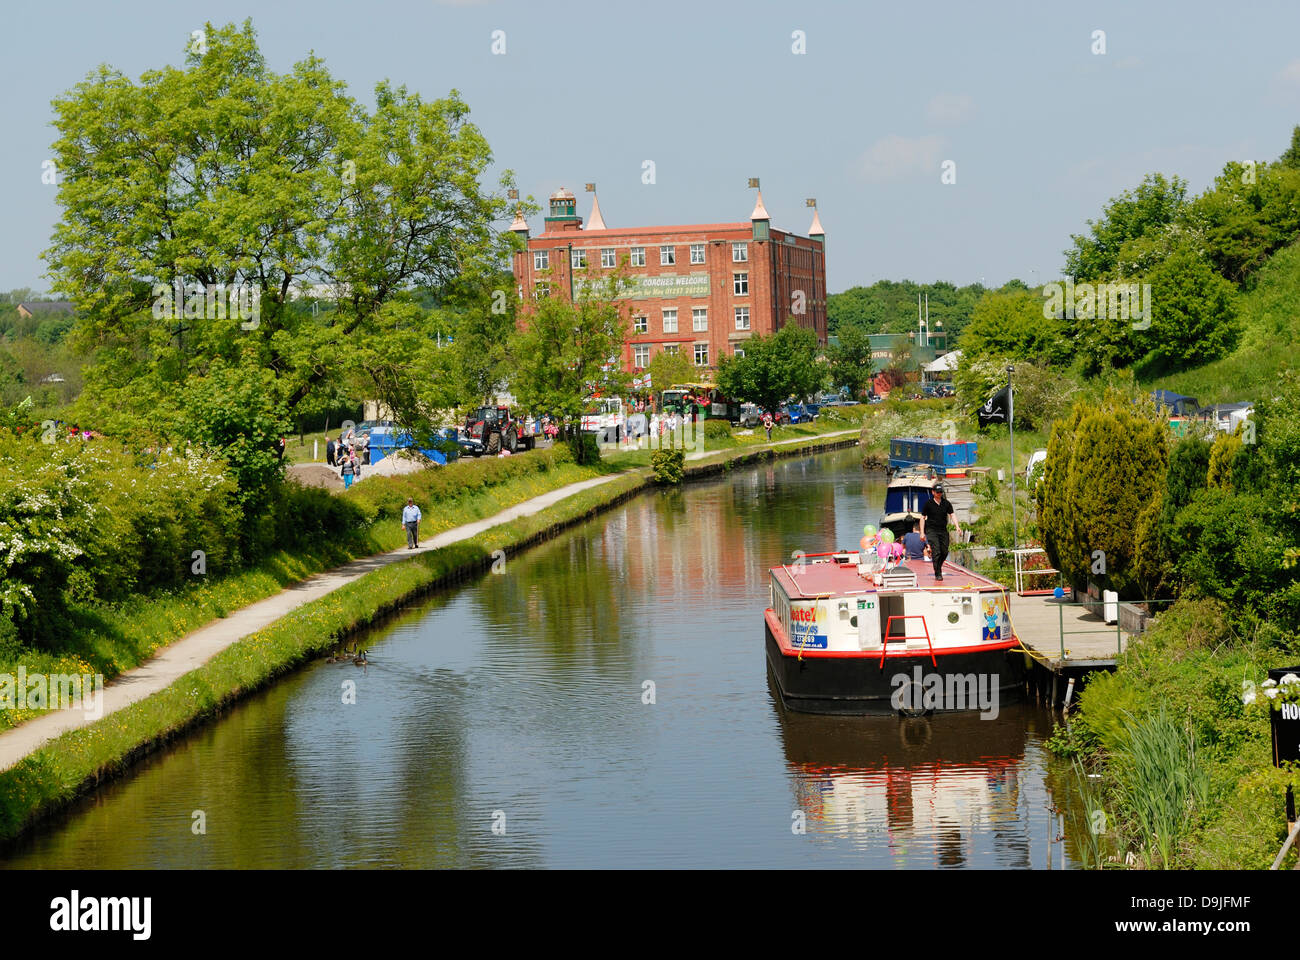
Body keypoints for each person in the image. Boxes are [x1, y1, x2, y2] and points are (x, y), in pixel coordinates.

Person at [920, 484, 961, 581]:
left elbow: (952, 514)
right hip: (931, 531)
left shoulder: (946, 503)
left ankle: (938, 567)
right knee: (937, 551)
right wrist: (922, 532)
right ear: (933, 492)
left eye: (941, 492)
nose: (939, 494)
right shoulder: (928, 504)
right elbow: (922, 518)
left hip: (943, 530)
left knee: (944, 551)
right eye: (937, 492)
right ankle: (937, 572)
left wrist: (957, 526)